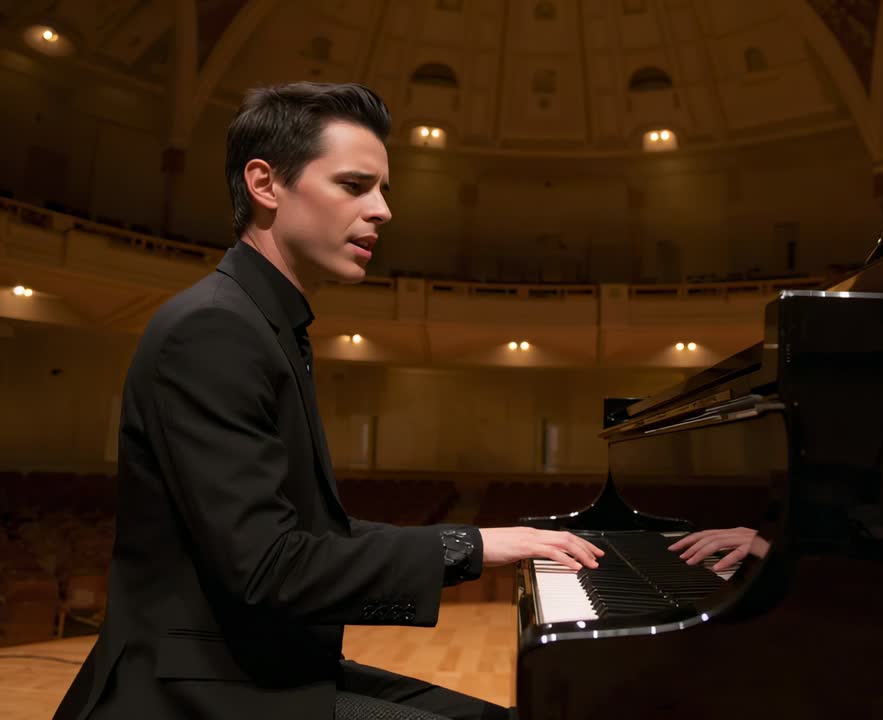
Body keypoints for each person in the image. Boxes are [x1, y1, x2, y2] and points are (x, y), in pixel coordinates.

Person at [53, 82, 603, 720]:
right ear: (265, 184)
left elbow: (312, 535)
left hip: (265, 668)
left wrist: (479, 542)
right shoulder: (215, 329)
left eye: (383, 190)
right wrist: (471, 548)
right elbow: (268, 568)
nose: (382, 211)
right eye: (354, 185)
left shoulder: (262, 323)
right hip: (197, 689)